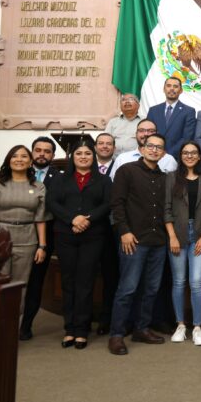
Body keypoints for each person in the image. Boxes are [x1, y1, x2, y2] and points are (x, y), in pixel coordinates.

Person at [108, 133, 170, 355]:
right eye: (150, 146)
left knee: (151, 289)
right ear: (142, 149)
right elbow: (117, 203)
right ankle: (116, 334)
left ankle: (141, 329)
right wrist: (124, 231)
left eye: (159, 147)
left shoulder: (165, 178)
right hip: (134, 241)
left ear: (163, 153)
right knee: (128, 288)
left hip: (158, 242)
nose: (154, 150)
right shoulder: (127, 171)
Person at [46, 140, 112, 349]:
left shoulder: (103, 180)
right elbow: (52, 202)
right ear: (72, 158)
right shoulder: (59, 179)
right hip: (65, 234)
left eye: (87, 154)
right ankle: (69, 329)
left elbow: (107, 204)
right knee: (68, 281)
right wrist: (73, 219)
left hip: (93, 236)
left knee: (85, 282)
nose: (83, 157)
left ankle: (82, 330)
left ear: (93, 158)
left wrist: (87, 219)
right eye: (79, 154)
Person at [0, 145, 48, 308]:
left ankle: (13, 326)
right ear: (9, 160)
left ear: (31, 162)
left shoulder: (39, 186)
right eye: (15, 156)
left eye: (24, 156)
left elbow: (41, 219)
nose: (19, 160)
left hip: (27, 241)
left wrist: (42, 246)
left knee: (20, 286)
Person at [164, 142, 201, 346]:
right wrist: (172, 236)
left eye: (193, 153)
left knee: (196, 281)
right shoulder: (171, 178)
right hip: (177, 233)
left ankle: (197, 327)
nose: (189, 156)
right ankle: (180, 325)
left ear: (199, 156)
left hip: (199, 233)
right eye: (185, 153)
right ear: (180, 156)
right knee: (178, 281)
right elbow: (166, 209)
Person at [19, 136, 60, 341]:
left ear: (53, 155)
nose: (42, 154)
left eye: (47, 151)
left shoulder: (59, 178)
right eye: (38, 150)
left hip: (46, 238)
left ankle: (25, 326)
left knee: (35, 282)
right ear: (32, 152)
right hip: (17, 235)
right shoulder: (17, 173)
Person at [93, 133, 118, 336]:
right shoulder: (83, 166)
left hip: (111, 229)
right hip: (89, 230)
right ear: (95, 147)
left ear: (114, 148)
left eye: (108, 144)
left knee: (111, 276)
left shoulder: (120, 166)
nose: (104, 147)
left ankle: (106, 318)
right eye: (101, 143)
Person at [146, 77, 196, 160]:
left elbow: (186, 137)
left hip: (176, 158)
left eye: (175, 86)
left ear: (181, 90)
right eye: (168, 86)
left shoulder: (189, 111)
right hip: (153, 156)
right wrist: (157, 151)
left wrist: (168, 154)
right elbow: (148, 134)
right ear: (164, 89)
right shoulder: (153, 110)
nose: (172, 88)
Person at [110, 119, 177, 178]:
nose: (146, 134)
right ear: (136, 134)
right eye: (141, 130)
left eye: (151, 131)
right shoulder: (122, 159)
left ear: (157, 133)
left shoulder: (169, 160)